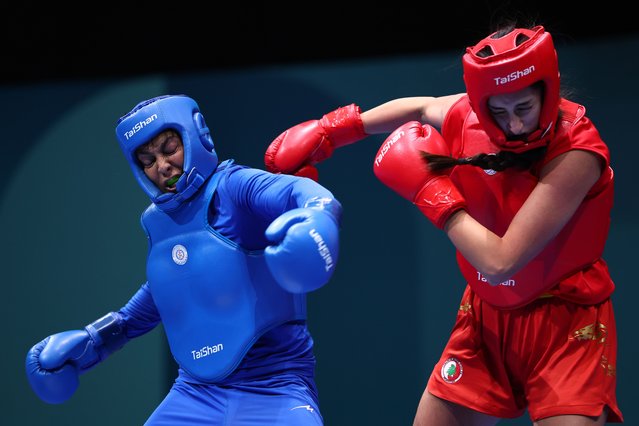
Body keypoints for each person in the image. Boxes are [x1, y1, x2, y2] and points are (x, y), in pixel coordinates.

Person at [264, 24, 623, 425]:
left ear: (548, 90)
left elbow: (502, 260)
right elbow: (420, 107)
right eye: (498, 112)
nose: (514, 126)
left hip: (566, 325)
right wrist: (335, 130)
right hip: (485, 318)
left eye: (524, 108)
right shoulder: (470, 116)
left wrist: (429, 191)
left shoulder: (576, 152)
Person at [25, 94, 342, 425]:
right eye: (147, 160)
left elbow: (303, 195)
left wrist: (317, 219)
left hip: (275, 385)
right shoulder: (157, 222)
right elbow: (166, 289)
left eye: (168, 148)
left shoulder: (234, 186)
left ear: (196, 136)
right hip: (194, 395)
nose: (161, 166)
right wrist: (96, 340)